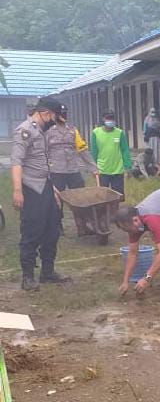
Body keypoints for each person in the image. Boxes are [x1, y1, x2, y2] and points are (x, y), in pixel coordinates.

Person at [10, 97, 71, 291]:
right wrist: (18, 190)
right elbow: (17, 162)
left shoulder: (41, 131)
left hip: (45, 185)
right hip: (30, 188)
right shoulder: (25, 131)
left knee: (52, 229)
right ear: (45, 113)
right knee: (31, 231)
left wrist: (51, 186)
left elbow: (41, 163)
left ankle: (47, 272)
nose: (55, 120)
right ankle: (28, 277)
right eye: (54, 116)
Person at [47, 103, 99, 190]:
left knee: (79, 194)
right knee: (56, 198)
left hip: (73, 169)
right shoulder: (48, 130)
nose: (63, 116)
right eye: (60, 113)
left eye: (65, 113)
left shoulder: (72, 130)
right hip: (56, 170)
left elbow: (83, 150)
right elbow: (42, 151)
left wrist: (93, 168)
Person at [91, 111, 132, 195]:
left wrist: (127, 166)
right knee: (103, 196)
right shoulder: (96, 133)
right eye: (108, 119)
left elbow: (125, 150)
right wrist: (93, 168)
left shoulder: (120, 133)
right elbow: (94, 151)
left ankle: (116, 208)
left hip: (117, 170)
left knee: (117, 196)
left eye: (112, 119)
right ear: (103, 119)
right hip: (102, 170)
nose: (110, 121)